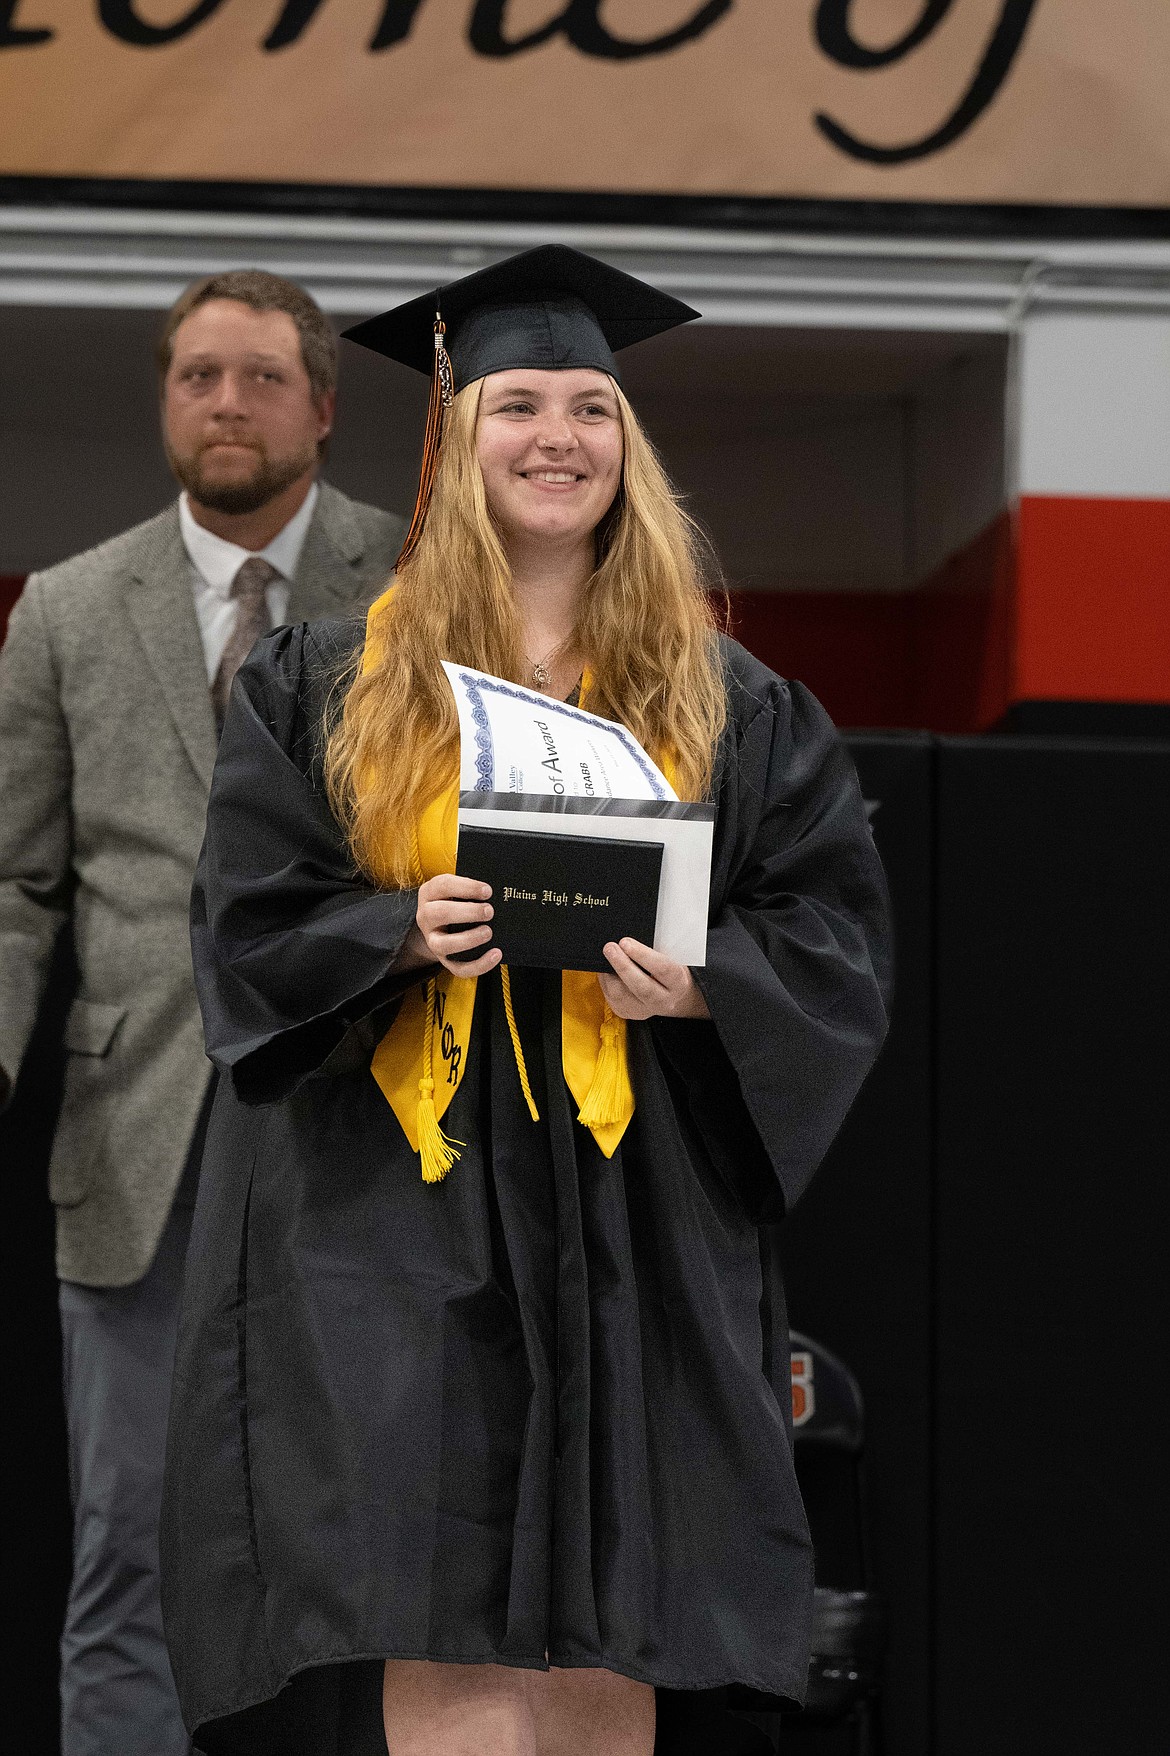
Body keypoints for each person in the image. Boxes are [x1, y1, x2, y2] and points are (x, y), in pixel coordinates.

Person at [160, 246, 891, 1756]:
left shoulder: (724, 699)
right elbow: (246, 918)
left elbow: (825, 928)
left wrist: (705, 988)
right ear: (453, 436)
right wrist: (396, 929)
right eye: (516, 403)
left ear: (628, 448)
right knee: (444, 1581)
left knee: (615, 1598)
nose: (556, 436)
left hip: (633, 1194)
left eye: (589, 407)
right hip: (400, 1202)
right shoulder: (333, 682)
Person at [0, 268, 405, 1756]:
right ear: (166, 398)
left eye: (257, 376)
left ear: (321, 403)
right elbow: (7, 881)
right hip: (138, 1145)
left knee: (368, 1552)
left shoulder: (421, 584)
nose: (224, 403)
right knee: (125, 1554)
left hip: (362, 1133)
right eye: (196, 376)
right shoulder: (65, 609)